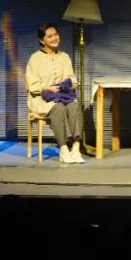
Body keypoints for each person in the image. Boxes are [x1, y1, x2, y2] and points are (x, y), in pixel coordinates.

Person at [25, 22, 85, 164]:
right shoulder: (35, 58)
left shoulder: (64, 57)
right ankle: (63, 149)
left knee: (74, 106)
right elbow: (31, 85)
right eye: (49, 36)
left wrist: (66, 84)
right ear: (42, 40)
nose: (54, 38)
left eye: (56, 34)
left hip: (62, 96)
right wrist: (48, 88)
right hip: (41, 99)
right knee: (58, 108)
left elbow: (73, 80)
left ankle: (76, 148)